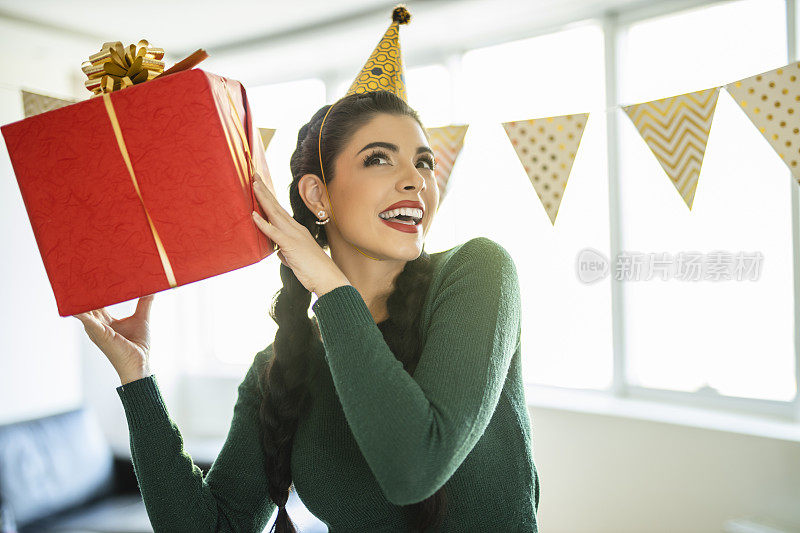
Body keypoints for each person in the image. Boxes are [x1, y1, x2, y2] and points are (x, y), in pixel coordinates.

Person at [74, 88, 540, 532]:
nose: (416, 180)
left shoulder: (478, 272)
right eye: (379, 158)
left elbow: (414, 469)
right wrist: (136, 377)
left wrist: (331, 287)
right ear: (318, 196)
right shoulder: (281, 368)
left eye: (424, 162)